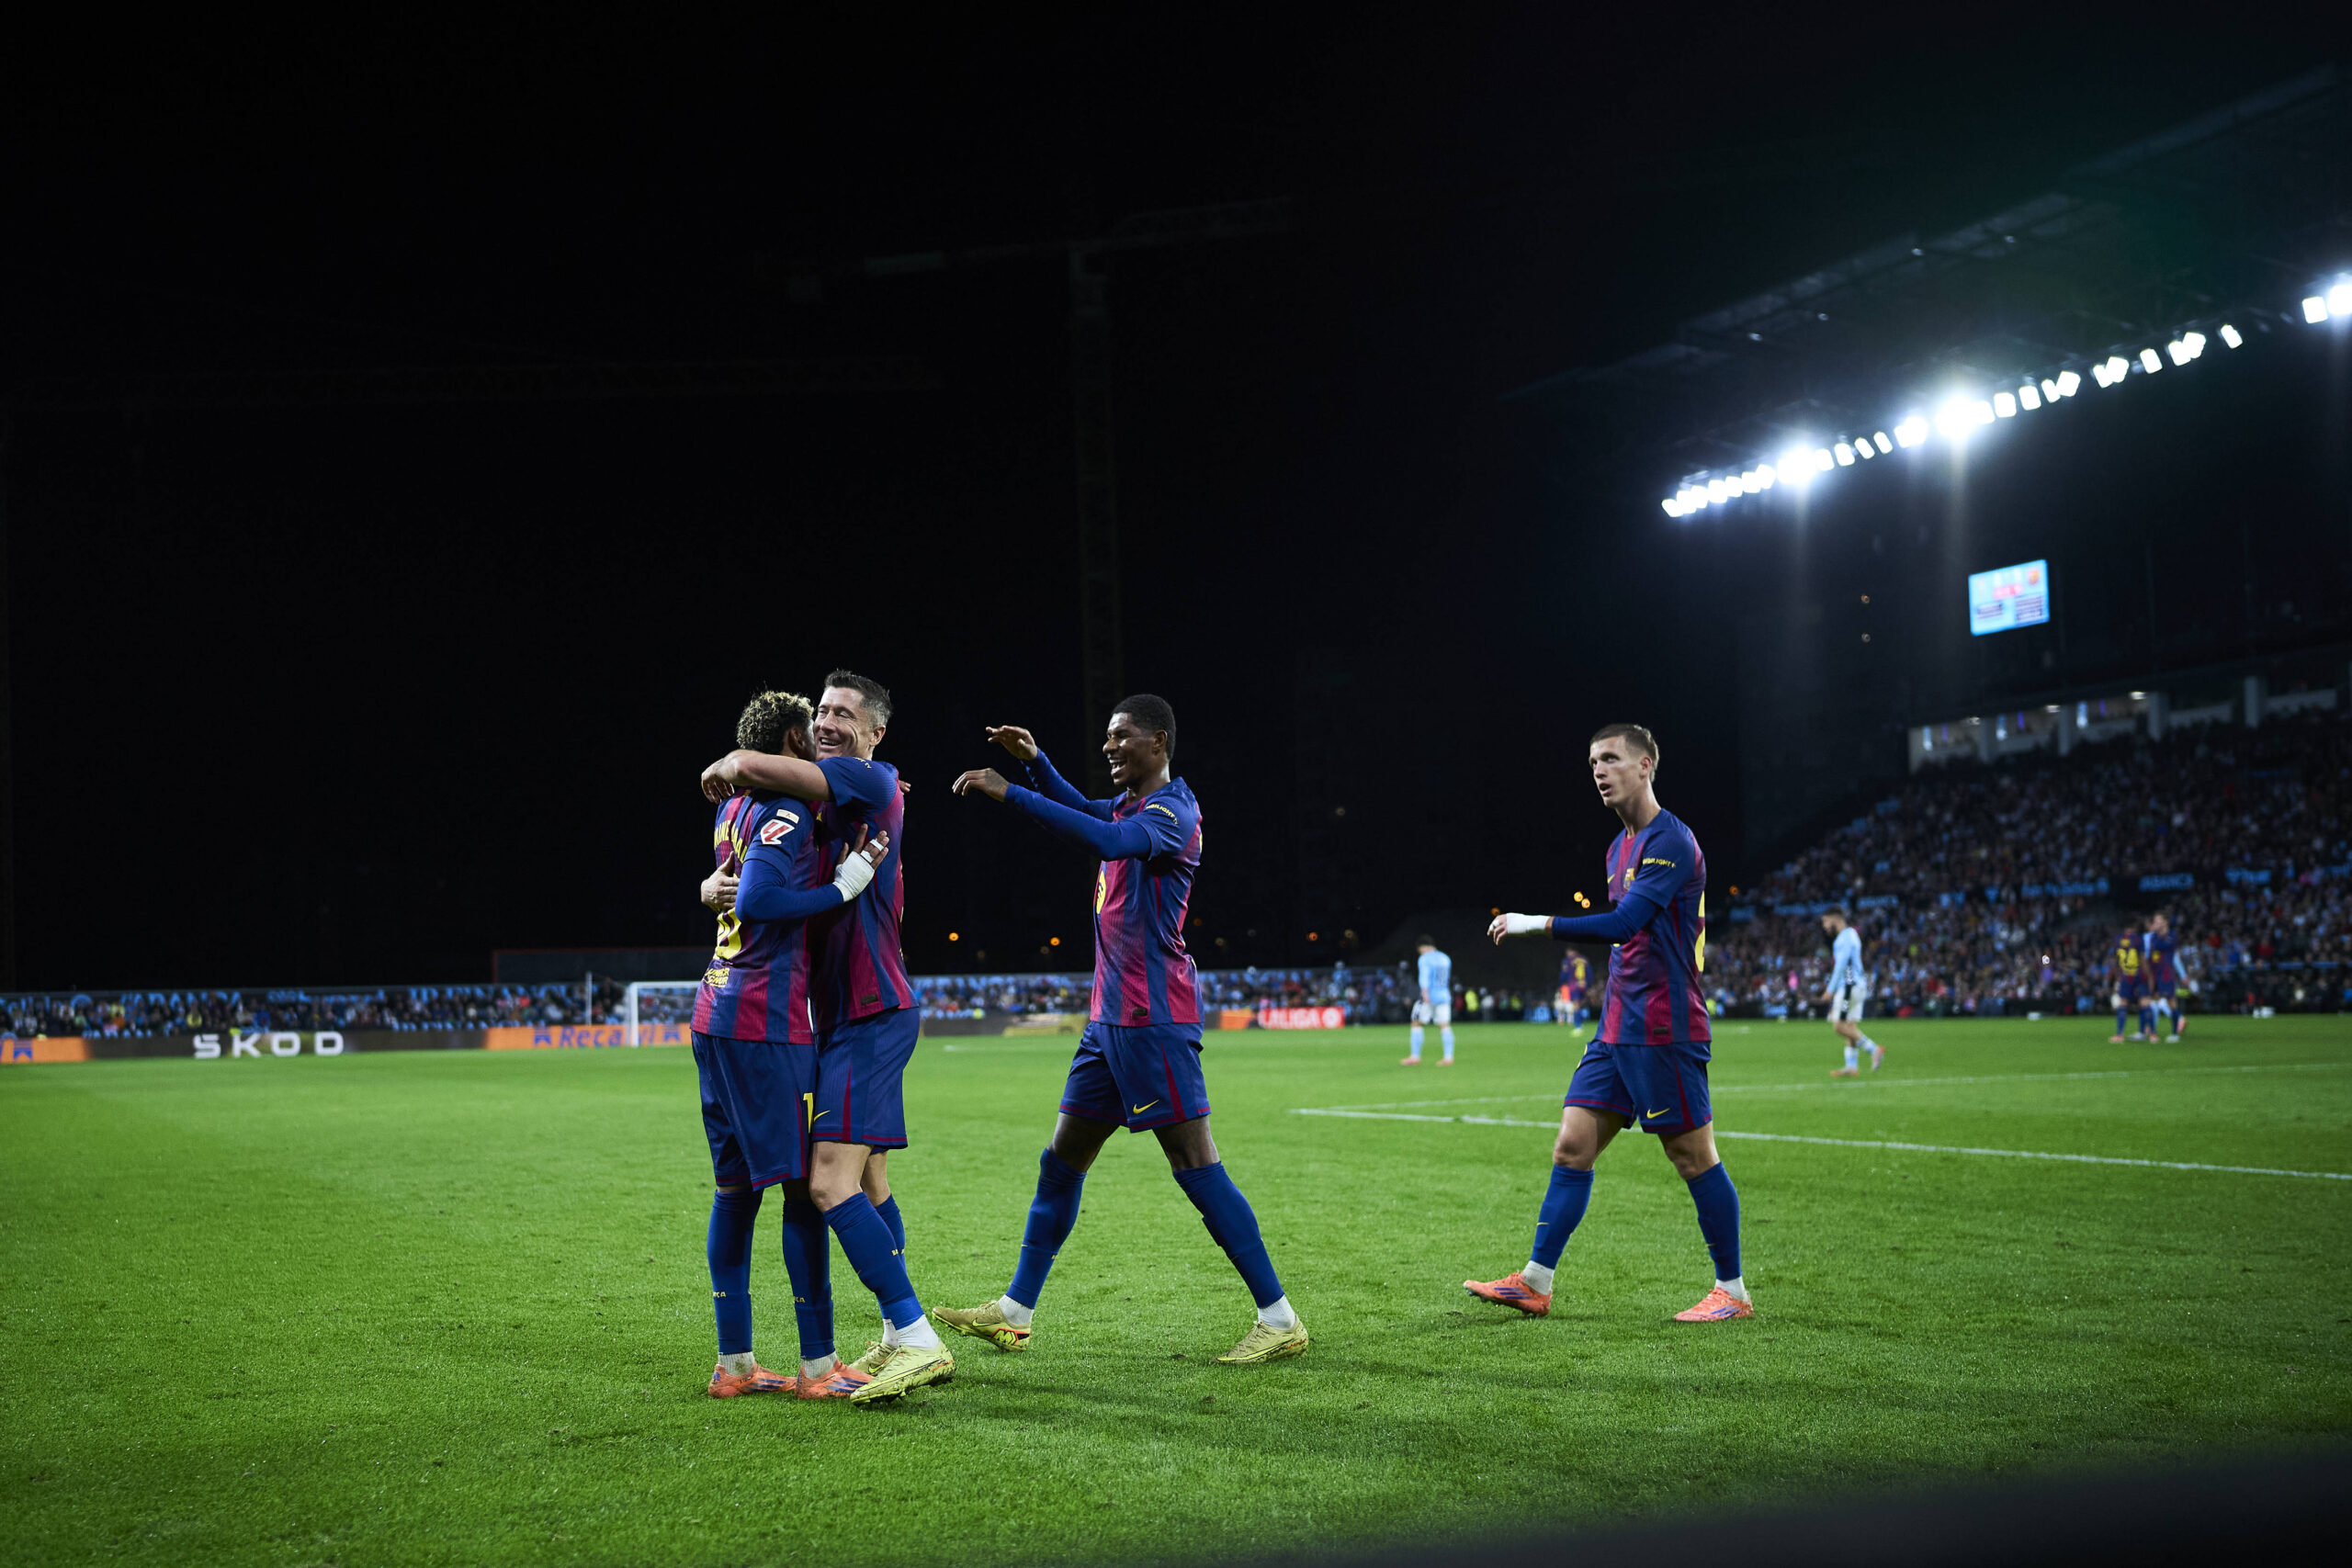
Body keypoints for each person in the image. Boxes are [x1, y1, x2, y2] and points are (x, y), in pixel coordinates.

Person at [933, 698, 1309, 1366]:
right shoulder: (1132, 807)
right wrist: (1036, 763)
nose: (1109, 747)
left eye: (1121, 736)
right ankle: (1016, 1311)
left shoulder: (1172, 814)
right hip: (1107, 1022)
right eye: (1107, 737)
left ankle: (1279, 1318)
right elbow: (1086, 811)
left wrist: (1011, 791)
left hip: (1152, 1020)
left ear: (1158, 741)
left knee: (1196, 1166)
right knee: (1061, 1162)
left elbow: (1102, 840)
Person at [699, 670, 952, 1404]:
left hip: (865, 1011)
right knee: (858, 1182)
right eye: (822, 712)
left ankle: (908, 1335)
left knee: (821, 1184)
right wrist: (716, 886)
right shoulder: (806, 801)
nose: (828, 723)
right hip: (811, 1018)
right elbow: (752, 887)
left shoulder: (860, 783)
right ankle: (887, 1334)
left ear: (875, 732)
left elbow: (757, 789)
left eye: (843, 713)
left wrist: (730, 763)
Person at [1473, 723, 1750, 1324]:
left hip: (1663, 1026)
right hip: (1616, 1025)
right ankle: (1535, 1282)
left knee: (1693, 1156)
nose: (1599, 770)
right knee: (1572, 1146)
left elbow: (1626, 924)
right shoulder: (1616, 848)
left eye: (1611, 758)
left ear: (1646, 765)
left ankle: (1732, 1291)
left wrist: (1533, 922)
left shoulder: (1671, 840)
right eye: (1593, 761)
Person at [1820, 908, 1883, 1077]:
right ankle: (1851, 1066)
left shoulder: (1844, 938)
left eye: (1825, 921)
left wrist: (1830, 989)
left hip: (1849, 986)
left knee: (1839, 1026)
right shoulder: (1851, 935)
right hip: (1857, 985)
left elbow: (1841, 965)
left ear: (1835, 919)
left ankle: (1874, 1049)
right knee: (1849, 1027)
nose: (1824, 926)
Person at [1403, 937, 1454, 1066]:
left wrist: (1425, 993)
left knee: (1416, 1023)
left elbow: (1424, 977)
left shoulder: (1425, 959)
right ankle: (1448, 1057)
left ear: (1423, 947)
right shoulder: (1445, 958)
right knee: (1444, 1026)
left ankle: (1415, 1057)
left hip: (1429, 995)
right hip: (1444, 995)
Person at [2143, 912, 2188, 1041]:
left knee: (2171, 1002)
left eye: (2158, 921)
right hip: (2155, 973)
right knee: (2152, 1000)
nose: (2156, 923)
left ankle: (2174, 1033)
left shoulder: (2171, 936)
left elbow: (2160, 946)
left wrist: (2183, 974)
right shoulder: (2154, 937)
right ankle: (2152, 1031)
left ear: (2165, 922)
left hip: (2166, 973)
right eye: (2155, 921)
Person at [2109, 923, 2147, 1043]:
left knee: (2124, 1003)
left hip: (2126, 974)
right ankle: (2147, 1033)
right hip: (2139, 974)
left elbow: (2116, 959)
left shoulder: (2119, 939)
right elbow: (2143, 958)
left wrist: (2118, 977)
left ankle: (2120, 1034)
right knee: (2143, 1002)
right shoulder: (2139, 939)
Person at [1556, 950, 1591, 1035]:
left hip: (1574, 985)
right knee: (1580, 1005)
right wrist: (1588, 985)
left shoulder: (1568, 960)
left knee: (1576, 1006)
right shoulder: (1584, 959)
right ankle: (1580, 1023)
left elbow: (1564, 973)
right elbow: (1590, 973)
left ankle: (1578, 1027)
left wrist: (1561, 983)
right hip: (1583, 985)